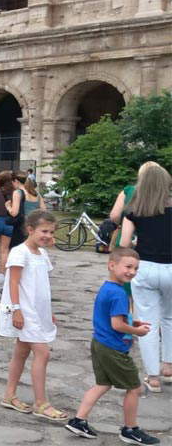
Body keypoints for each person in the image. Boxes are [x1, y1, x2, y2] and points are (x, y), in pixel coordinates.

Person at [65, 248, 161, 445]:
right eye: (128, 267)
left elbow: (111, 318)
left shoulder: (107, 288)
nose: (132, 272)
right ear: (112, 265)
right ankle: (130, 429)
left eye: (135, 268)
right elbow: (117, 325)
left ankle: (78, 420)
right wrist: (137, 331)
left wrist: (132, 323)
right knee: (134, 388)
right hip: (113, 348)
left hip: (100, 343)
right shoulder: (119, 294)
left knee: (102, 384)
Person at [0, 210, 68, 422]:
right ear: (30, 229)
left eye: (51, 232)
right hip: (25, 311)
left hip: (37, 311)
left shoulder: (42, 254)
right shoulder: (20, 253)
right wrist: (16, 309)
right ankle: (41, 403)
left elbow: (40, 285)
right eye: (44, 231)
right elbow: (13, 282)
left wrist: (48, 311)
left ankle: (9, 395)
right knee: (42, 353)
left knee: (21, 352)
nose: (48, 235)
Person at [119, 161, 172, 394]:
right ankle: (169, 366)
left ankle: (153, 377)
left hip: (146, 267)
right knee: (170, 318)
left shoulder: (134, 210)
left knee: (147, 322)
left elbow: (124, 243)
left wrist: (138, 242)